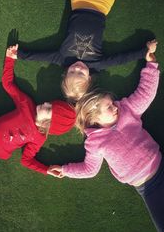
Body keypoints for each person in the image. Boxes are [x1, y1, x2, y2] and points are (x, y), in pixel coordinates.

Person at [48, 40, 164, 231]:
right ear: (94, 118)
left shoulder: (126, 109)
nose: (115, 107)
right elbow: (89, 169)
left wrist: (151, 65)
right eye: (109, 107)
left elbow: (145, 93)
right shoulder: (94, 143)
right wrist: (65, 170)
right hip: (146, 187)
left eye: (113, 103)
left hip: (160, 165)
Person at [17, 0, 149, 103]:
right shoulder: (96, 64)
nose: (77, 68)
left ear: (65, 72)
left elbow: (39, 56)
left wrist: (19, 54)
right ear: (89, 78)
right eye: (81, 73)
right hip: (103, 3)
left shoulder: (63, 58)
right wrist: (144, 52)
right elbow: (121, 58)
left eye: (72, 72)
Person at [0, 44, 76, 175]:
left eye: (48, 108)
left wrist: (46, 169)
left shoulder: (39, 138)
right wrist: (10, 59)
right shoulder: (26, 104)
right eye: (49, 103)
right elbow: (8, 84)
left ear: (49, 123)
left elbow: (26, 160)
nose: (45, 103)